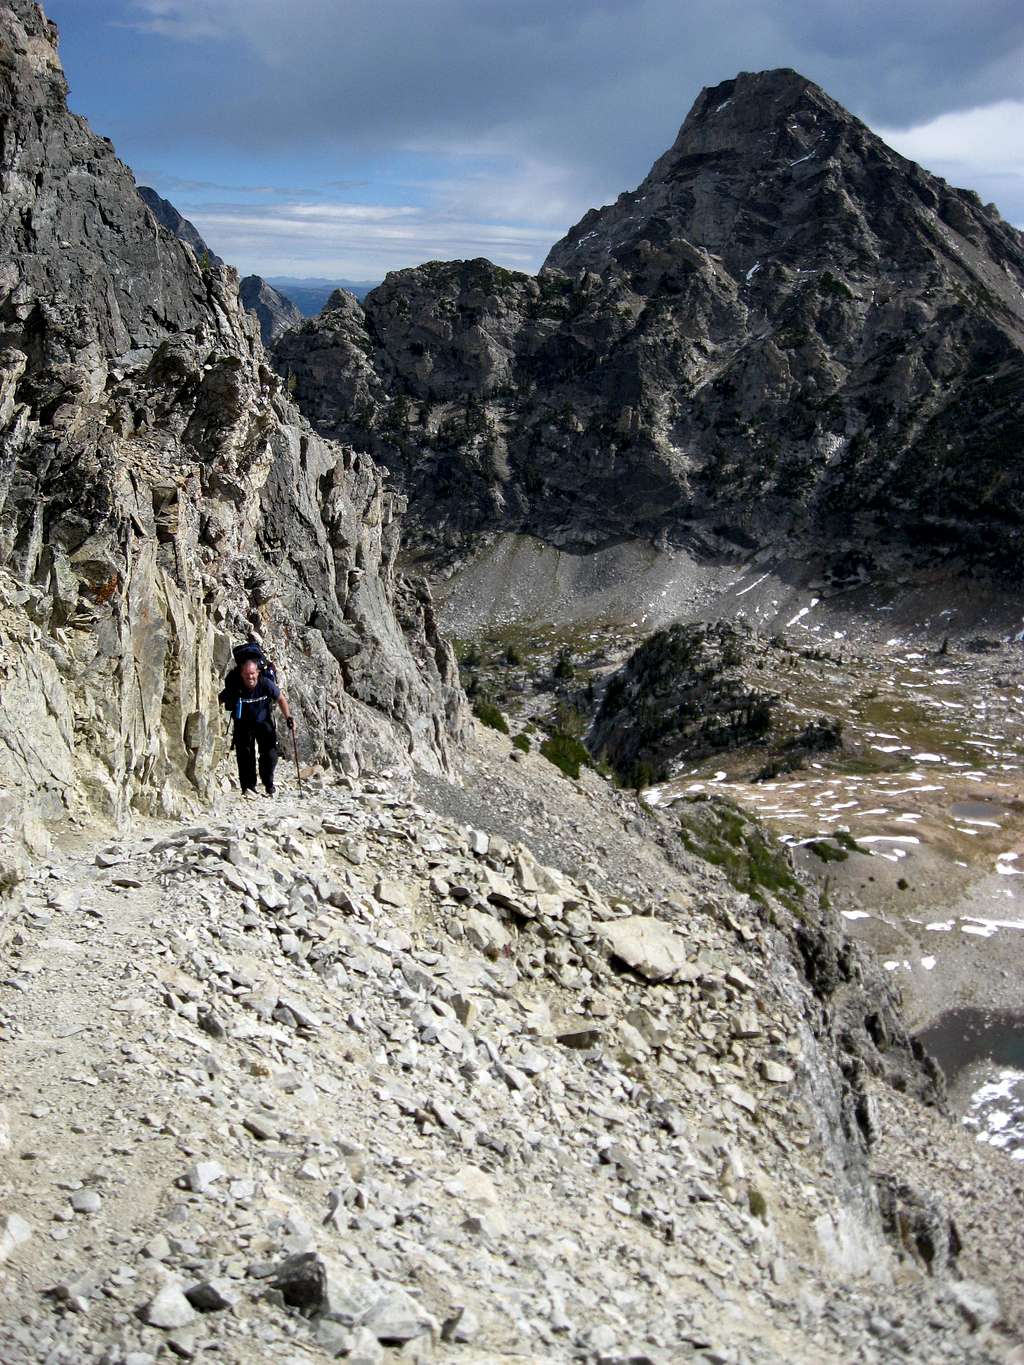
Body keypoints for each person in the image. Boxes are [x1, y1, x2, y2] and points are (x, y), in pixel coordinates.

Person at [226, 657, 294, 796]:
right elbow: (220, 698)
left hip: (263, 722)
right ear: (241, 674)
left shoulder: (265, 684)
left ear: (257, 672)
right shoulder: (236, 686)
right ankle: (248, 788)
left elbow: (280, 698)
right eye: (246, 674)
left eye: (252, 673)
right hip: (243, 725)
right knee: (245, 756)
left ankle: (268, 783)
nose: (250, 677)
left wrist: (288, 717)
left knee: (270, 754)